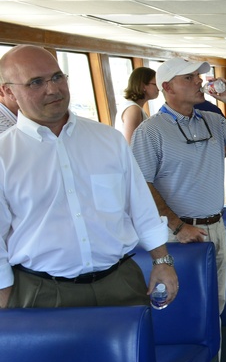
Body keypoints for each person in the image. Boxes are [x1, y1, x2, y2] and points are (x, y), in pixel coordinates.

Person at [0, 45, 178, 309]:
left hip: (120, 284)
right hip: (42, 293)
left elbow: (141, 207)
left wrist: (162, 261)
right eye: (36, 82)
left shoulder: (108, 139)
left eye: (57, 77)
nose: (52, 89)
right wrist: (6, 299)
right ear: (8, 91)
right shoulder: (4, 154)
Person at [131, 57, 226, 362]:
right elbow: (142, 185)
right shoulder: (150, 131)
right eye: (188, 78)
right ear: (166, 87)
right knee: (183, 311)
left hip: (215, 225)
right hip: (178, 236)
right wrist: (177, 226)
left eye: (198, 77)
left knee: (214, 303)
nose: (198, 83)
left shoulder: (211, 119)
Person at [117, 66, 158, 144]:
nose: (158, 88)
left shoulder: (135, 107)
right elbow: (131, 144)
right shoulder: (133, 109)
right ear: (143, 86)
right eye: (155, 84)